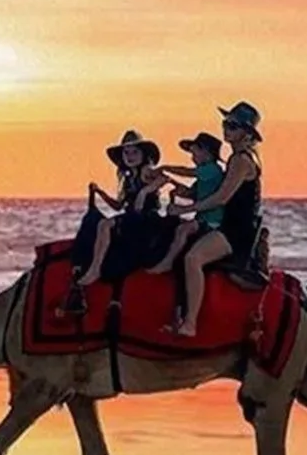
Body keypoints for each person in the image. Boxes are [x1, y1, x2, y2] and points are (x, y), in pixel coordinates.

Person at [167, 102, 264, 339]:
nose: (226, 129)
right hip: (232, 225)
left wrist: (184, 210)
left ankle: (190, 323)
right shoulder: (236, 158)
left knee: (193, 258)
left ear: (246, 132)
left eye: (233, 125)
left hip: (236, 230)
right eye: (225, 124)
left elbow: (221, 197)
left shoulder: (241, 160)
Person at [61, 130, 176, 314]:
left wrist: (145, 192)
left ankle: (95, 269)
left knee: (105, 225)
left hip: (145, 219)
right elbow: (117, 206)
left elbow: (165, 178)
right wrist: (99, 192)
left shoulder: (146, 171)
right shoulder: (128, 177)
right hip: (131, 217)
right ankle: (81, 271)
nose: (130, 157)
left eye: (134, 152)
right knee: (92, 222)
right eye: (126, 153)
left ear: (143, 154)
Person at [148, 130, 226, 281]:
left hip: (212, 222)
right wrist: (171, 182)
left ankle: (168, 262)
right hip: (201, 220)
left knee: (184, 229)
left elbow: (187, 172)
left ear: (206, 152)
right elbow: (190, 193)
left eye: (195, 153)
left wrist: (165, 167)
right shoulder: (204, 176)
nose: (192, 157)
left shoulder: (212, 169)